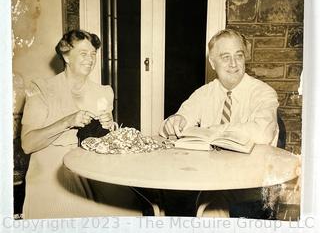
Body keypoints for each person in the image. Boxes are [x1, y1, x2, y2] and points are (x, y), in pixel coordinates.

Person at [21, 29, 141, 219]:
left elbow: (104, 142)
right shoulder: (41, 89)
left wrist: (110, 127)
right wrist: (67, 121)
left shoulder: (103, 92)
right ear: (66, 56)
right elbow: (28, 144)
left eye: (93, 54)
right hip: (53, 171)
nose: (90, 59)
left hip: (90, 169)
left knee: (129, 210)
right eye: (83, 54)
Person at [159, 29, 279, 217]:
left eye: (238, 56)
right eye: (225, 57)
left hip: (249, 184)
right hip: (207, 179)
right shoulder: (204, 93)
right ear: (212, 63)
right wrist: (175, 121)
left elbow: (263, 133)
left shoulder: (263, 92)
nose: (233, 64)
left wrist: (212, 131)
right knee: (164, 199)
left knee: (211, 212)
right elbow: (177, 121)